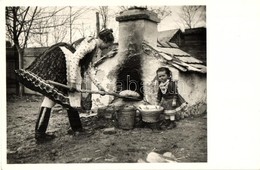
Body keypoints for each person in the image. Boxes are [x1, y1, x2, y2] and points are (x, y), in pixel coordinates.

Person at [15, 29, 114, 142]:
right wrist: (72, 81)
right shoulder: (91, 43)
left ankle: (42, 133)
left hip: (66, 63)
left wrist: (99, 86)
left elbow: (88, 68)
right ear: (104, 40)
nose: (107, 48)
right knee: (70, 97)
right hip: (63, 61)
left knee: (57, 99)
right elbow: (75, 58)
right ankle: (74, 129)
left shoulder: (94, 47)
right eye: (108, 45)